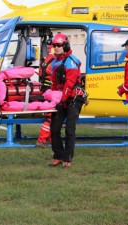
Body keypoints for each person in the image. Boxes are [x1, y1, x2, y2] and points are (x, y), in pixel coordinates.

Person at [48, 32, 86, 168]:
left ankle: (67, 158)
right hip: (61, 98)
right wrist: (53, 98)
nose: (56, 48)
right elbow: (53, 83)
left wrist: (61, 100)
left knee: (70, 129)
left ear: (65, 45)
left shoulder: (72, 61)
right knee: (54, 129)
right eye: (54, 45)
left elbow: (69, 84)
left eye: (59, 45)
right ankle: (57, 155)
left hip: (73, 98)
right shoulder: (54, 62)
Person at [36, 43, 55, 148]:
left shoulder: (43, 61)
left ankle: (51, 140)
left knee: (52, 116)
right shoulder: (55, 62)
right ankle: (41, 140)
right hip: (51, 91)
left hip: (44, 91)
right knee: (50, 117)